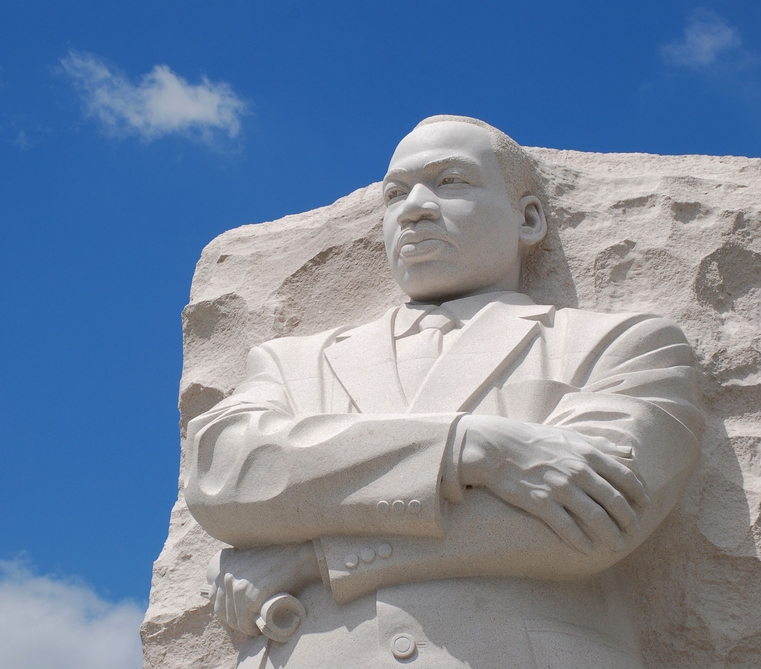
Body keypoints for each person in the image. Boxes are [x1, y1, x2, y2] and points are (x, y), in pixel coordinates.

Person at [183, 116, 703, 668]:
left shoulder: (622, 345)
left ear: (528, 219)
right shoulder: (293, 362)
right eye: (395, 194)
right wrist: (469, 447)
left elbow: (592, 519)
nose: (414, 209)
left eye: (451, 181)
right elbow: (223, 477)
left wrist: (313, 558)